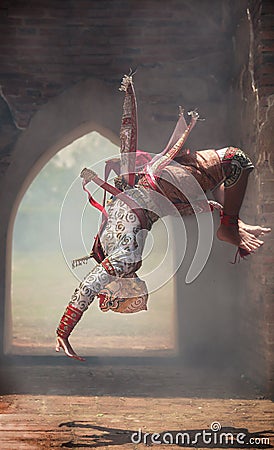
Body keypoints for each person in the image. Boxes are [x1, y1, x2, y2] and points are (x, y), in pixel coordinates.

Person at [55, 75, 271, 361]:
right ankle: (231, 226)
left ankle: (230, 227)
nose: (139, 293)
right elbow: (166, 208)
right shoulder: (107, 249)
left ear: (122, 286)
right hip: (158, 193)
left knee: (236, 160)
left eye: (130, 297)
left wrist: (64, 331)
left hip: (158, 186)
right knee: (224, 178)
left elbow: (87, 287)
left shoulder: (124, 260)